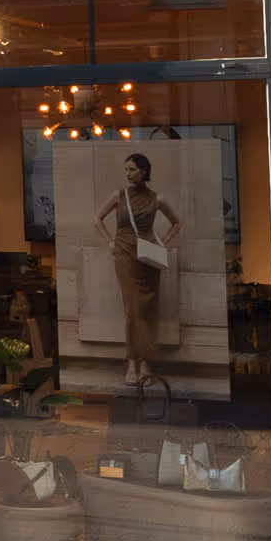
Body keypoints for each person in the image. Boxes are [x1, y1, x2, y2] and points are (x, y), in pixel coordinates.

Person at [98, 150, 183, 389]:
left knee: (146, 309)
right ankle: (131, 364)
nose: (127, 173)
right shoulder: (119, 195)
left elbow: (177, 222)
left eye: (132, 169)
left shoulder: (158, 198)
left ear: (144, 171)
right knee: (131, 309)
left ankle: (145, 363)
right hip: (124, 254)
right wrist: (110, 241)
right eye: (126, 169)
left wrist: (163, 243)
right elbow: (98, 219)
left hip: (147, 257)